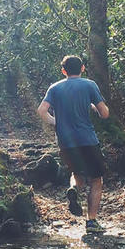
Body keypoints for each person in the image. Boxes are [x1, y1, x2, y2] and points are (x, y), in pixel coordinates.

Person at [37, 55, 110, 234]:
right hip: (87, 140)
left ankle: (73, 189)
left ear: (63, 71)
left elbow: (41, 111)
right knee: (96, 180)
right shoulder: (89, 85)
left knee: (76, 174)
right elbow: (105, 113)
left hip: (66, 142)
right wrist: (95, 107)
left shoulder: (55, 88)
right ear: (83, 68)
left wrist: (57, 122)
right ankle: (91, 222)